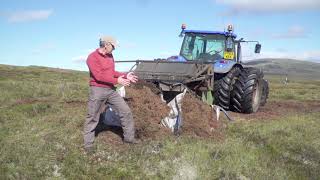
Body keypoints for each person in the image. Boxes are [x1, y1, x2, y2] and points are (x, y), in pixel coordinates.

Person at [83, 35, 139, 153]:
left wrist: (124, 75)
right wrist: (117, 81)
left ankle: (129, 139)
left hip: (110, 90)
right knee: (92, 117)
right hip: (97, 90)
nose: (114, 49)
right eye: (113, 46)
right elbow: (98, 76)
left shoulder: (110, 56)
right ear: (106, 44)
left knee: (125, 111)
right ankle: (88, 145)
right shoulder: (92, 57)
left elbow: (112, 72)